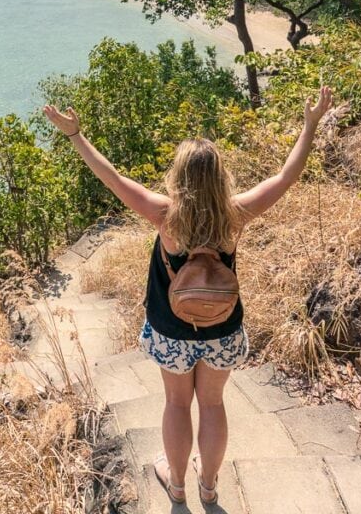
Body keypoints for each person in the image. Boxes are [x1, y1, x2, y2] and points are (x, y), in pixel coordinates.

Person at [43, 85, 333, 505]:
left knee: (177, 405)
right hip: (223, 329)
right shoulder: (234, 215)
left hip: (171, 330)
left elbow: (112, 178)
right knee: (212, 405)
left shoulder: (164, 215)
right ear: (220, 177)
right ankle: (209, 486)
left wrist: (75, 135)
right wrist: (309, 126)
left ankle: (176, 485)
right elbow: (285, 177)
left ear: (179, 176)